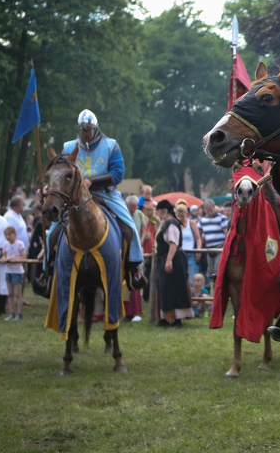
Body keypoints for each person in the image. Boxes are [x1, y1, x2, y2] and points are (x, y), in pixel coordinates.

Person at [60, 109, 143, 280]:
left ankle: (134, 265)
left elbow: (118, 174)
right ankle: (49, 269)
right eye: (83, 130)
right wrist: (47, 189)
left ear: (95, 129)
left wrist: (92, 181)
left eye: (89, 130)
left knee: (130, 227)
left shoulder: (111, 145)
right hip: (74, 197)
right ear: (78, 130)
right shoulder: (69, 147)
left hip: (105, 193)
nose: (86, 134)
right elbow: (60, 174)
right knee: (53, 230)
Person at [154, 200, 193, 328]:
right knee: (165, 288)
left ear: (164, 211)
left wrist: (169, 260)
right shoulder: (166, 223)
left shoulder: (172, 224)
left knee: (175, 288)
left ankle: (178, 319)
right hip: (166, 258)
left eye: (159, 211)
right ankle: (165, 318)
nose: (158, 214)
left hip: (173, 259)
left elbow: (173, 243)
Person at [197, 198, 228, 291]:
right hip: (209, 249)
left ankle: (219, 292)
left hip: (219, 248)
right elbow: (198, 233)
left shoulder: (221, 218)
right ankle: (215, 294)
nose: (209, 212)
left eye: (210, 210)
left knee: (217, 272)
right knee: (210, 274)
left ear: (214, 208)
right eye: (207, 211)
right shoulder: (202, 220)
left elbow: (227, 234)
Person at [0, 226, 26, 321]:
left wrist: (10, 259)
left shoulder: (20, 244)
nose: (8, 237)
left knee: (17, 294)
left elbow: (23, 258)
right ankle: (12, 313)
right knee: (10, 293)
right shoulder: (6, 245)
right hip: (8, 271)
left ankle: (20, 314)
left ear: (14, 234)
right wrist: (3, 258)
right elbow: (4, 255)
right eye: (6, 235)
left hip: (17, 271)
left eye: (9, 235)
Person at [174, 201, 201, 288]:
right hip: (178, 254)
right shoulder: (174, 223)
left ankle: (193, 299)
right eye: (179, 216)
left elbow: (198, 238)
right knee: (179, 278)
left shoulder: (191, 223)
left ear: (187, 213)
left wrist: (198, 250)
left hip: (190, 254)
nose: (181, 218)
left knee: (192, 278)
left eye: (182, 216)